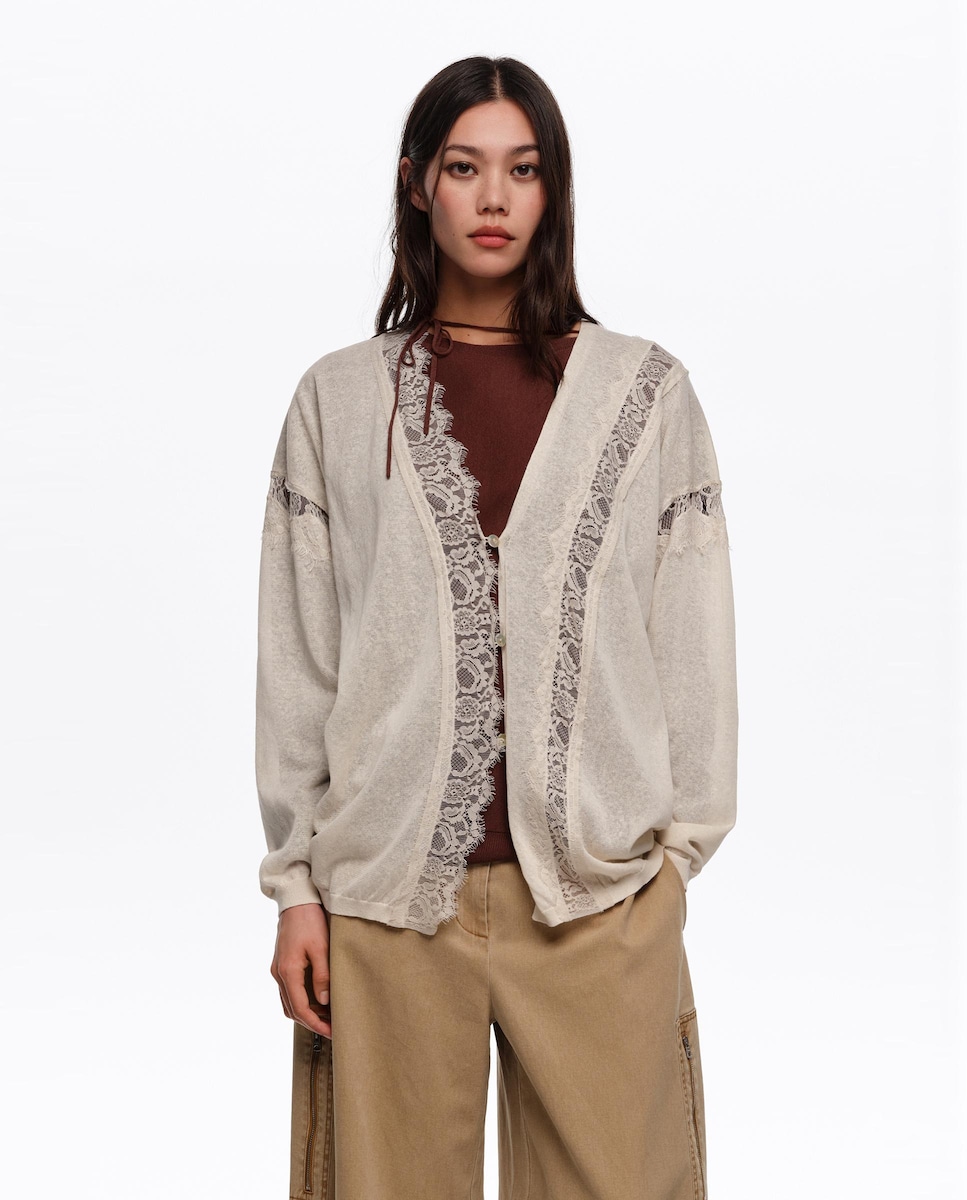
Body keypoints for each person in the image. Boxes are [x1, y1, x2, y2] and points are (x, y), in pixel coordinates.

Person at [255, 55, 738, 1200]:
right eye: (464, 167)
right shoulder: (338, 399)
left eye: (522, 170)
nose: (493, 198)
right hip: (385, 903)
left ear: (552, 188)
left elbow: (693, 646)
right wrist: (298, 891)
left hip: (599, 903)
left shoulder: (645, 394)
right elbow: (301, 660)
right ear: (417, 183)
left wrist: (669, 871)